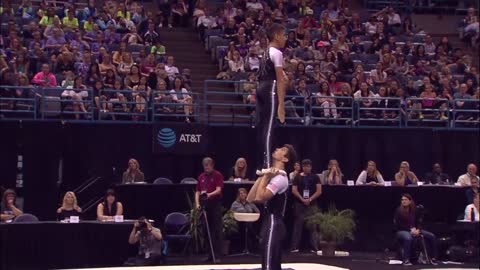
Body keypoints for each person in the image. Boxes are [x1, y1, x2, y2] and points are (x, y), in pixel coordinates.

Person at [247, 144, 297, 270]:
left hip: (275, 223)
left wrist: (266, 177)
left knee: (270, 263)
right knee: (268, 261)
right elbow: (250, 198)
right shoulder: (272, 175)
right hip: (269, 222)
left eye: (282, 150)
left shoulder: (280, 178)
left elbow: (260, 197)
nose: (277, 149)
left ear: (285, 159)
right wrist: (264, 176)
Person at [256, 23, 288, 171]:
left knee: (263, 128)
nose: (285, 38)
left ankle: (264, 161)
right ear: (276, 36)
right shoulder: (277, 52)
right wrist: (281, 104)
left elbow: (279, 75)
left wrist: (283, 76)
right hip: (270, 88)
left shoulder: (266, 51)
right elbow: (280, 80)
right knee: (269, 128)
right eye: (284, 35)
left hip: (261, 87)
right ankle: (267, 165)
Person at [394, 194, 438, 265]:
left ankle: (433, 258)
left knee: (432, 236)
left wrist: (418, 230)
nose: (403, 201)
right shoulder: (398, 210)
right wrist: (410, 230)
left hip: (415, 230)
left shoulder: (415, 210)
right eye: (402, 200)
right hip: (402, 231)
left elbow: (419, 222)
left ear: (410, 201)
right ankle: (406, 260)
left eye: (405, 200)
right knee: (408, 238)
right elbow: (398, 225)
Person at [195, 157, 224, 262]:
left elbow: (218, 190)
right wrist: (197, 203)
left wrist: (209, 195)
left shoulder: (217, 175)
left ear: (212, 165)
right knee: (206, 230)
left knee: (216, 230)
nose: (206, 167)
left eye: (208, 165)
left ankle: (217, 255)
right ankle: (209, 254)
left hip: (215, 204)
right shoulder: (201, 177)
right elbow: (197, 191)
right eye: (205, 165)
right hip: (204, 206)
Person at [290, 159, 322, 253]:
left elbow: (319, 191)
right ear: (302, 167)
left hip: (312, 204)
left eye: (308, 166)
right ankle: (294, 247)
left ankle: (314, 247)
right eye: (304, 166)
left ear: (311, 167)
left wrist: (310, 199)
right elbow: (294, 190)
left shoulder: (315, 177)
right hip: (299, 204)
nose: (306, 168)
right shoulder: (297, 177)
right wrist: (302, 199)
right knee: (298, 225)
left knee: (313, 226)